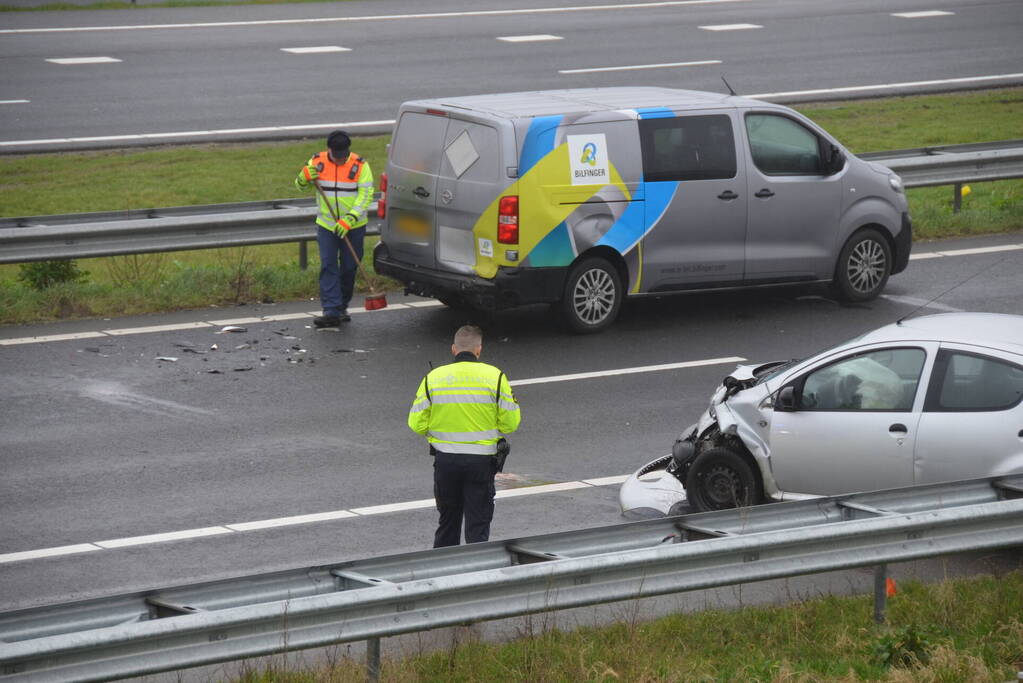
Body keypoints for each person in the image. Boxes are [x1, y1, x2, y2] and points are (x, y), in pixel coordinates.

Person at [408, 325, 521, 547]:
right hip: (480, 463)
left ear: (453, 349)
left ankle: (443, 577)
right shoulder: (495, 377)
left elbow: (416, 424)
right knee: (477, 528)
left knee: (448, 523)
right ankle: (476, 575)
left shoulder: (433, 378)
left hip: (445, 462)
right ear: (479, 350)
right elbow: (510, 424)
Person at [295, 130, 374, 328]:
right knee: (329, 265)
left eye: (344, 156)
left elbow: (366, 195)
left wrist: (350, 218)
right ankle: (331, 310)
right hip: (327, 226)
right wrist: (303, 177)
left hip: (353, 226)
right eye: (337, 156)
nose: (341, 160)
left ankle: (342, 306)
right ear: (329, 149)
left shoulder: (360, 165)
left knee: (349, 267)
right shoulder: (316, 162)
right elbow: (300, 186)